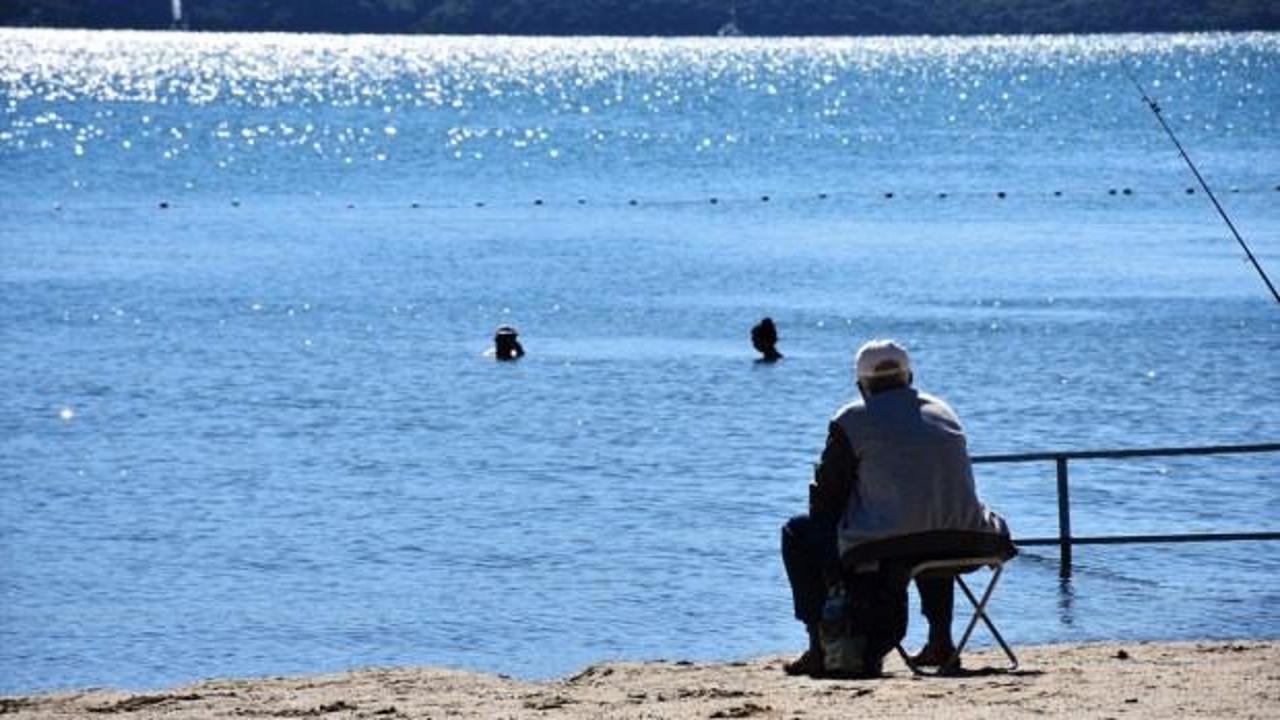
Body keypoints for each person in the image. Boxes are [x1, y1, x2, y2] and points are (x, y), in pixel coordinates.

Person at [780, 339, 1008, 677]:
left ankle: (818, 645)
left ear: (861, 385)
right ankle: (941, 641)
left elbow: (827, 498)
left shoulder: (852, 420)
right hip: (969, 538)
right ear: (910, 377)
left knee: (797, 532)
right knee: (930, 520)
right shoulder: (944, 412)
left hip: (892, 546)